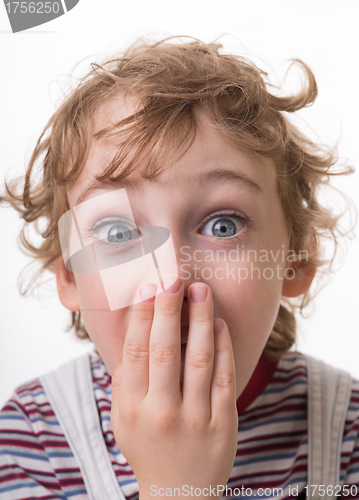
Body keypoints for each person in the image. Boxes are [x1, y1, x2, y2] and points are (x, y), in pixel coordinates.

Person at [0, 36, 358, 500]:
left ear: (297, 259)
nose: (171, 278)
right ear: (68, 274)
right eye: (116, 232)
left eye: (224, 225)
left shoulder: (345, 431)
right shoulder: (34, 440)